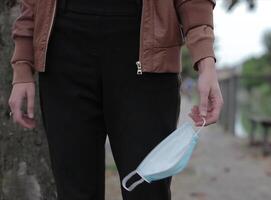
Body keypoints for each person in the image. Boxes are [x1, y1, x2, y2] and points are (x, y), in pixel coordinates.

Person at [7, 0, 223, 199]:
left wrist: (206, 62)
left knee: (146, 191)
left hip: (146, 51)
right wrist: (22, 64)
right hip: (62, 53)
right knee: (74, 192)